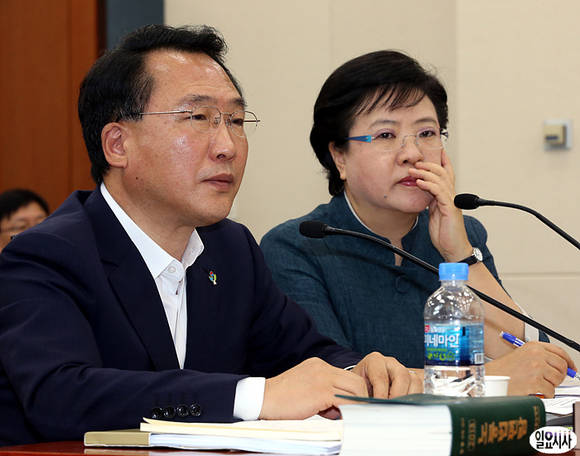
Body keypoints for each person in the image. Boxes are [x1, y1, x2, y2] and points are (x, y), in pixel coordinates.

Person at [0, 26, 422, 446]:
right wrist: (257, 396)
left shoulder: (230, 249)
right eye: (198, 118)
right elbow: (61, 396)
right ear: (117, 144)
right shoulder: (46, 255)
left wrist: (359, 374)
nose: (228, 146)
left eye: (235, 121)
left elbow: (303, 354)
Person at [261, 50, 576, 397]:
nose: (412, 153)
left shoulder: (465, 233)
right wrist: (488, 379)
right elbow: (334, 381)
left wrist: (460, 254)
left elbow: (532, 364)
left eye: (427, 133)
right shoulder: (298, 247)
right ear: (339, 156)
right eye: (385, 135)